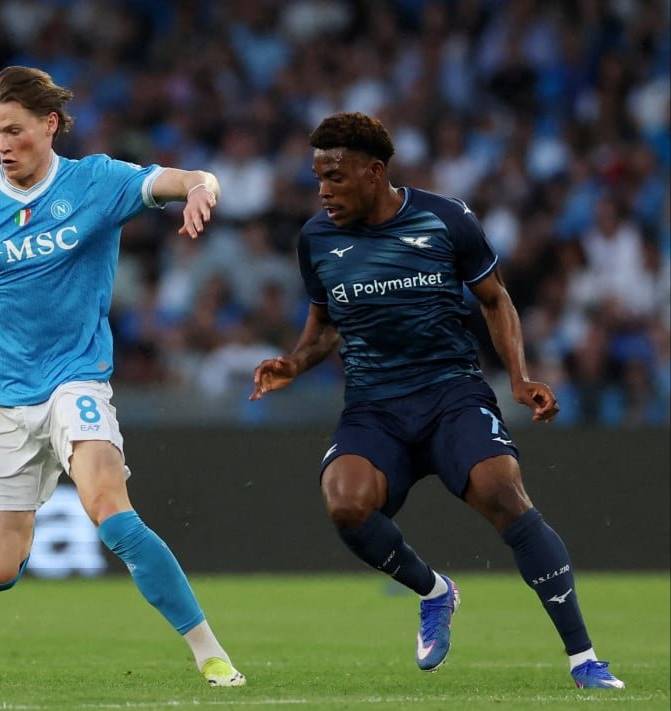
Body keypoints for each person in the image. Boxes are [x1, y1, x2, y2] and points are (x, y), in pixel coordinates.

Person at [0, 66, 244, 688]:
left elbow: (182, 177)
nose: (2, 144)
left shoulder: (96, 182)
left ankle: (210, 653)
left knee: (111, 510)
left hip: (74, 380)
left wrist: (201, 187)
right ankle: (33, 493)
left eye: (14, 130)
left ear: (49, 124)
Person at [251, 112, 624, 690]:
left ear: (374, 173)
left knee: (504, 494)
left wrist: (520, 378)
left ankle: (585, 660)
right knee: (345, 504)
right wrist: (294, 363)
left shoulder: (445, 218)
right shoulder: (317, 239)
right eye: (318, 177)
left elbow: (495, 300)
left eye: (335, 177)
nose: (323, 191)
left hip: (451, 392)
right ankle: (435, 592)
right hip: (374, 406)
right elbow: (325, 324)